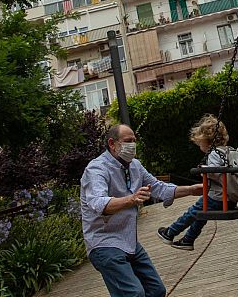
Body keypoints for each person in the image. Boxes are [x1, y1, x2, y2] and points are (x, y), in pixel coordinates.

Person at [80, 124, 203, 297]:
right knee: (134, 294)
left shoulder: (135, 166)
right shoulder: (96, 169)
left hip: (129, 241)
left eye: (134, 141)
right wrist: (131, 199)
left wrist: (191, 189)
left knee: (157, 291)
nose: (132, 146)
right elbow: (99, 204)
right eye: (127, 141)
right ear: (111, 143)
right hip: (104, 244)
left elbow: (159, 188)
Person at [157, 114, 236, 251]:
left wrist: (203, 171)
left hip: (218, 197)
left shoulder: (214, 153)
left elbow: (214, 171)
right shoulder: (229, 150)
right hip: (231, 198)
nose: (199, 146)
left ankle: (170, 232)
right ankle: (188, 239)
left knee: (193, 211)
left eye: (200, 143)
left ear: (206, 142)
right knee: (201, 214)